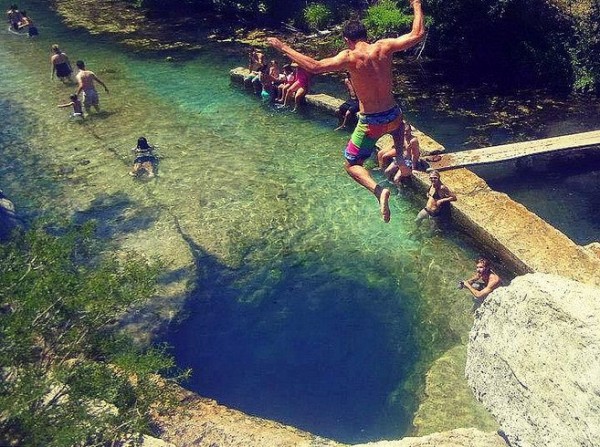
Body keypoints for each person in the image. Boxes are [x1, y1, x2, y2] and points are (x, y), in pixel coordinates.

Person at [268, 0, 425, 222]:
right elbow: (417, 33)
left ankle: (379, 191)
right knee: (398, 127)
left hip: (371, 122)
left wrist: (282, 47)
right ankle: (401, 157)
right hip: (393, 114)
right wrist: (416, 4)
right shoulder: (384, 46)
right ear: (366, 35)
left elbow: (315, 66)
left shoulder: (349, 57)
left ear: (346, 40)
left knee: (351, 164)